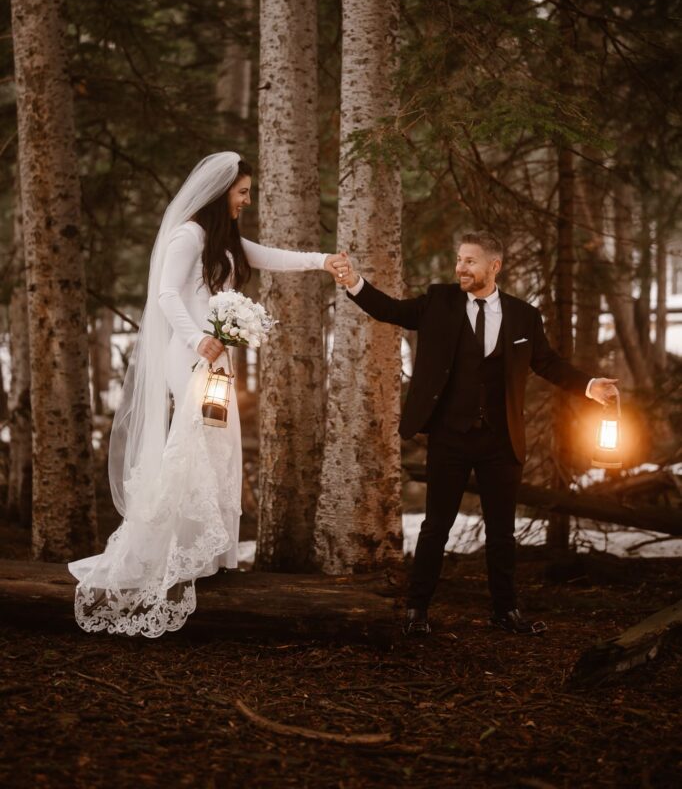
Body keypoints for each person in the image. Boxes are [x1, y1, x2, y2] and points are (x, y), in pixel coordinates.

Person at [69, 151, 345, 637]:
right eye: (242, 192)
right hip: (190, 354)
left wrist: (324, 261)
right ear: (221, 193)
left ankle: (207, 553)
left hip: (217, 358)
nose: (246, 200)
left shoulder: (227, 240)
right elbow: (166, 295)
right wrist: (199, 337)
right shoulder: (188, 235)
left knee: (220, 445)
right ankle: (163, 549)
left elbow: (274, 257)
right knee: (192, 445)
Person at [332, 232, 618, 637]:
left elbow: (548, 363)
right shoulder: (438, 301)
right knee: (436, 527)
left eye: (470, 261)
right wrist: (353, 281)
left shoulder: (523, 315)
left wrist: (590, 386)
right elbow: (389, 310)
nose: (460, 268)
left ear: (494, 267)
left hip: (501, 441)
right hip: (450, 436)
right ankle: (417, 611)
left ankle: (505, 611)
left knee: (502, 531)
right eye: (459, 260)